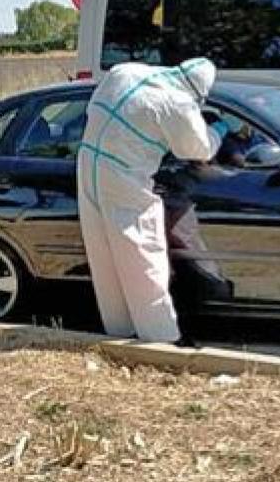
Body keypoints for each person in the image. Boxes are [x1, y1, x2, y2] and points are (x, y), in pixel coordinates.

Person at [76, 57, 218, 346]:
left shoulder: (124, 71)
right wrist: (220, 131)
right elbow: (198, 149)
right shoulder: (177, 102)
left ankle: (119, 331)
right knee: (141, 255)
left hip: (88, 163)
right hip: (124, 176)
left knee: (104, 255)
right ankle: (161, 339)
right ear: (199, 92)